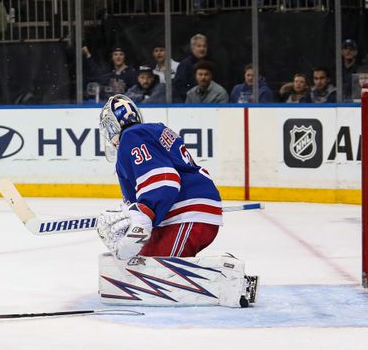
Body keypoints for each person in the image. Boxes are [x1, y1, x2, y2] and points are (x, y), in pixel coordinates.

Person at [96, 94, 256, 307]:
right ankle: (221, 269)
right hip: (184, 212)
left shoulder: (131, 137)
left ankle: (230, 279)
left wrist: (143, 215)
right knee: (141, 263)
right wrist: (131, 214)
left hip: (187, 212)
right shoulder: (148, 132)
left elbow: (165, 181)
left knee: (154, 275)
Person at [173, 33, 208, 102]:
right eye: (199, 46)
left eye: (204, 46)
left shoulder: (211, 63)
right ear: (192, 48)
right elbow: (178, 87)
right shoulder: (185, 65)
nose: (202, 49)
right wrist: (193, 97)